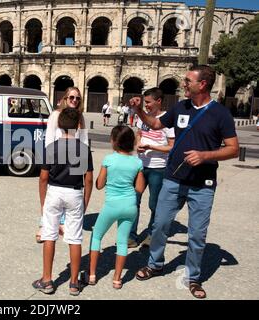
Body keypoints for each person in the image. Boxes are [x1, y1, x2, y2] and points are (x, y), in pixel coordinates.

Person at [130, 65, 239, 299]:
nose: (183, 84)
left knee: (197, 234)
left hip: (203, 185)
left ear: (202, 85)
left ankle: (193, 277)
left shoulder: (221, 113)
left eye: (188, 80)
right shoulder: (181, 107)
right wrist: (139, 111)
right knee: (159, 225)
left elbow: (233, 149)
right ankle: (155, 263)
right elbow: (156, 124)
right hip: (173, 178)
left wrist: (205, 155)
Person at [32, 107, 93, 296]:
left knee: (49, 235)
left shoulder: (51, 147)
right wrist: (85, 201)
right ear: (77, 125)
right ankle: (74, 283)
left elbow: (43, 177)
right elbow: (88, 179)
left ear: (59, 125)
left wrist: (43, 202)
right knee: (74, 238)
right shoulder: (83, 149)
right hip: (74, 192)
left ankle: (47, 279)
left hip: (54, 191)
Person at [86, 125, 145, 289]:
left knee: (96, 236)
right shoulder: (137, 162)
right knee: (122, 241)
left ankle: (91, 274)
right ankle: (117, 279)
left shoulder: (108, 159)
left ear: (114, 142)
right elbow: (140, 188)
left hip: (111, 205)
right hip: (130, 205)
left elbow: (99, 184)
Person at [36, 87, 89, 243]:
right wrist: (50, 159)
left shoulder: (81, 117)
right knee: (54, 192)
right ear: (65, 98)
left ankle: (64, 224)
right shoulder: (55, 115)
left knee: (70, 191)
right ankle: (45, 224)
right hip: (56, 156)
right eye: (71, 97)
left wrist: (83, 159)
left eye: (77, 98)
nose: (74, 100)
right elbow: (49, 139)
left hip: (75, 158)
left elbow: (84, 140)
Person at [128, 88, 175, 248]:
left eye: (148, 102)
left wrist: (152, 147)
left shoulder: (168, 120)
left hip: (158, 168)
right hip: (141, 166)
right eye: (145, 102)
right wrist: (139, 143)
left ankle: (151, 234)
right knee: (134, 201)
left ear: (159, 101)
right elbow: (139, 133)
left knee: (155, 204)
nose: (146, 105)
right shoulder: (143, 117)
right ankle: (131, 236)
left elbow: (171, 147)